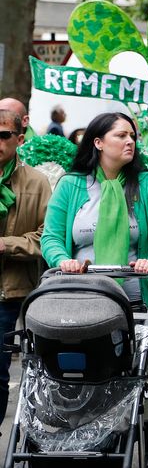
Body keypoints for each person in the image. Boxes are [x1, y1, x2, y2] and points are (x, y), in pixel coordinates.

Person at [41, 111, 148, 466]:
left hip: (135, 298)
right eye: (121, 135)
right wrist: (63, 260)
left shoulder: (147, 184)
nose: (130, 140)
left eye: (132, 135)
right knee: (91, 376)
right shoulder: (71, 185)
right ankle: (89, 445)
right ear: (99, 143)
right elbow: (52, 237)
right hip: (81, 300)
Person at [0, 109, 51, 424]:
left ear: (19, 139)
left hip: (12, 290)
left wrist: (7, 244)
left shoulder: (37, 181)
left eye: (4, 135)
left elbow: (48, 236)